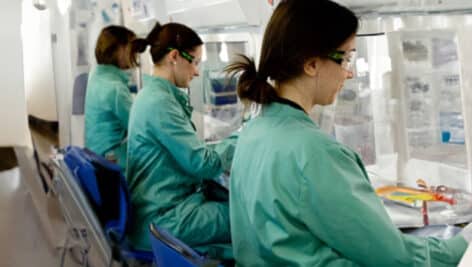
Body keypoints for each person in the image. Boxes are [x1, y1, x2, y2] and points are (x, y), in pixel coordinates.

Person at [226, 0, 472, 266]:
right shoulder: (315, 152)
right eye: (345, 58)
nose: (350, 72)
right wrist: (462, 244)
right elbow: (392, 257)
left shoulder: (254, 130)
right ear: (311, 64)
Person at [126, 22, 237, 259]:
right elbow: (202, 164)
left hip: (164, 208)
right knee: (246, 216)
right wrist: (241, 139)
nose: (197, 72)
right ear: (174, 56)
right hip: (164, 218)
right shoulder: (159, 103)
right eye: (195, 62)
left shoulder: (155, 96)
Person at [85, 25, 145, 170]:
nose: (135, 55)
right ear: (121, 49)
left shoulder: (96, 77)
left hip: (95, 155)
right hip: (111, 160)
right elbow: (140, 129)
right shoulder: (115, 89)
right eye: (132, 49)